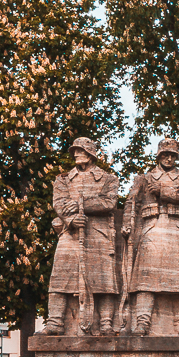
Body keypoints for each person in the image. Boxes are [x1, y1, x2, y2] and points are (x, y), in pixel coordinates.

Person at [119, 139, 179, 335]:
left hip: (178, 230)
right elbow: (132, 202)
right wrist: (127, 224)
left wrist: (162, 190)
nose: (169, 158)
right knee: (145, 280)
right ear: (158, 156)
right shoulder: (144, 179)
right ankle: (142, 322)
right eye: (165, 154)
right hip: (151, 229)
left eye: (172, 155)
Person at [44, 138, 120, 335]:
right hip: (70, 233)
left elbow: (108, 203)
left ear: (91, 154)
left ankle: (106, 322)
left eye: (80, 151)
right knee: (60, 276)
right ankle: (55, 321)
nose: (76, 154)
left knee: (104, 281)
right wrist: (70, 220)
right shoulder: (63, 179)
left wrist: (80, 204)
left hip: (99, 234)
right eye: (74, 151)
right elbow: (59, 203)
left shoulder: (108, 179)